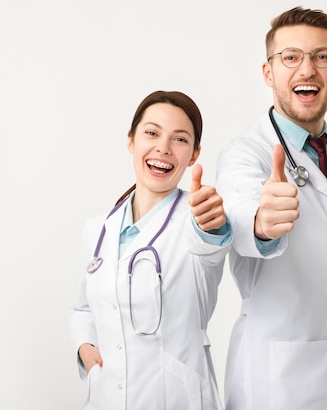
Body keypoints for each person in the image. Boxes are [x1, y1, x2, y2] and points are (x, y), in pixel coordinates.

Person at [215, 7, 327, 410]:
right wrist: (262, 221)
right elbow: (240, 214)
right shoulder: (247, 154)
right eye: (290, 57)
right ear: (268, 72)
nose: (307, 69)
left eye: (321, 57)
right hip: (281, 384)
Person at [70, 90, 231, 410]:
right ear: (131, 141)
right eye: (152, 133)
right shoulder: (99, 228)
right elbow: (83, 309)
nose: (163, 148)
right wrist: (85, 349)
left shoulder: (196, 217)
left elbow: (210, 247)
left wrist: (211, 226)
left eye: (180, 139)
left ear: (195, 153)